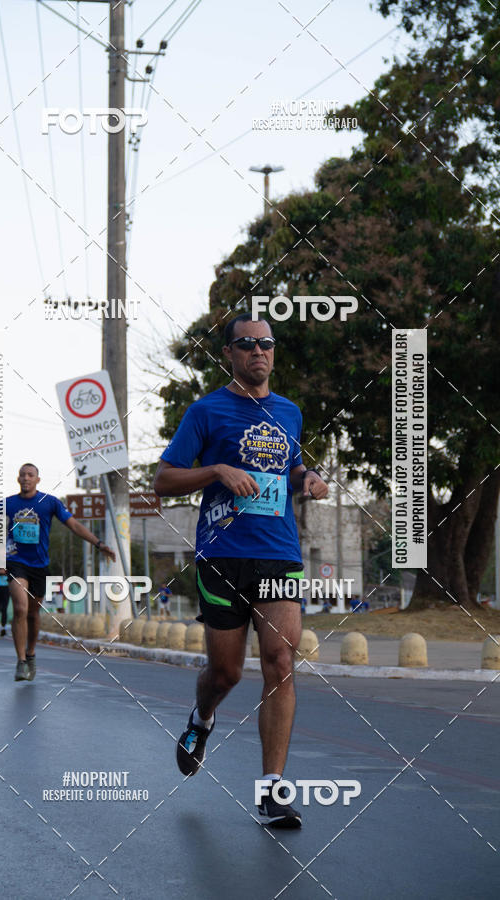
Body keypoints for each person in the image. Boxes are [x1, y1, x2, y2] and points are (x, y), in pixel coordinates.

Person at [154, 313, 328, 829]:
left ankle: (272, 792)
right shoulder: (206, 411)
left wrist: (309, 477)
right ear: (228, 353)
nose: (258, 351)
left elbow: (291, 467)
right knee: (226, 672)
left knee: (280, 661)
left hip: (277, 553)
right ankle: (201, 718)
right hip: (222, 555)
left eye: (266, 343)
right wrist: (216, 471)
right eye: (246, 344)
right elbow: (163, 480)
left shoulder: (289, 412)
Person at [0, 464, 116, 682]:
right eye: (22, 474)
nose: (26, 478)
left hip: (39, 565)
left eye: (30, 475)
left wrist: (99, 543)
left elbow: (74, 525)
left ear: (38, 479)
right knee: (20, 608)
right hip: (16, 561)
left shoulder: (50, 502)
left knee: (32, 613)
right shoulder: (9, 503)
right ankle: (20, 661)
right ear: (18, 478)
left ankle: (30, 654)